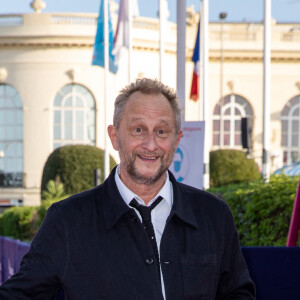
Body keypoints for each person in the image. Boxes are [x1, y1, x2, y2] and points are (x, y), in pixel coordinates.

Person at [0, 78, 255, 299]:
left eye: (162, 131)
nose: (151, 144)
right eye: (138, 129)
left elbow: (238, 293)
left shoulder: (214, 215)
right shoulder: (67, 221)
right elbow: (20, 294)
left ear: (177, 140)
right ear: (114, 136)